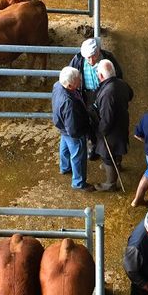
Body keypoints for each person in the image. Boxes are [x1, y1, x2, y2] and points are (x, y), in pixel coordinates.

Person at [69, 38, 123, 161]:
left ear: (98, 51)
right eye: (88, 58)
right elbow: (71, 77)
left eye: (94, 56)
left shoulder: (108, 58)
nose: (91, 60)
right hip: (87, 94)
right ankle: (93, 144)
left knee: (107, 118)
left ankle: (110, 148)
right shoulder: (78, 60)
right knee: (90, 121)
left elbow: (118, 76)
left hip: (105, 93)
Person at [92, 59, 134, 191]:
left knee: (107, 154)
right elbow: (131, 95)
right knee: (118, 147)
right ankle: (118, 165)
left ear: (101, 76)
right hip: (122, 121)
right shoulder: (121, 83)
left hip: (112, 130)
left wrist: (100, 131)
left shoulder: (107, 93)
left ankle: (110, 184)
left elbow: (107, 119)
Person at [51, 66, 94, 192]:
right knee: (78, 156)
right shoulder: (69, 103)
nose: (80, 81)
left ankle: (64, 168)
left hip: (62, 125)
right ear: (70, 86)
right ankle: (79, 182)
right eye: (78, 80)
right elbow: (73, 129)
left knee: (64, 147)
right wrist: (83, 132)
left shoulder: (57, 85)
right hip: (73, 131)